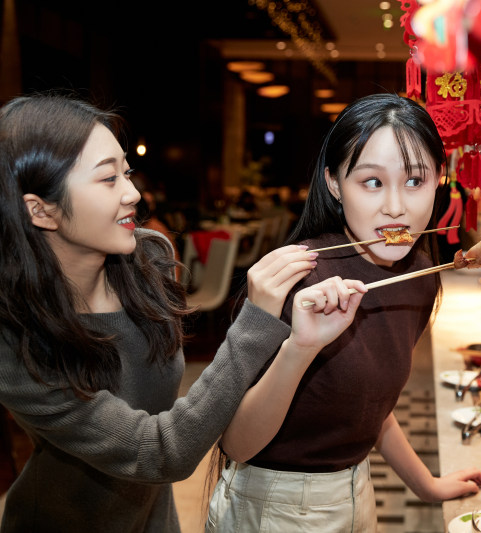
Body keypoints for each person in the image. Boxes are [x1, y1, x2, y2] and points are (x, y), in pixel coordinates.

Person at [0, 92, 367, 532]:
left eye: (126, 173)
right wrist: (256, 322)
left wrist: (298, 341)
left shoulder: (148, 261)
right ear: (41, 210)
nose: (133, 193)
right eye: (107, 179)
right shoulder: (14, 340)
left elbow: (191, 410)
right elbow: (160, 451)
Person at [207, 93, 481, 532]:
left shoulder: (418, 271)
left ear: (441, 178)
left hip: (358, 491)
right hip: (274, 506)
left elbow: (369, 403)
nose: (395, 206)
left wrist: (425, 484)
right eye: (372, 182)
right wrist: (301, 347)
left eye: (414, 180)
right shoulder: (296, 282)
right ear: (335, 184)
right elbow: (237, 444)